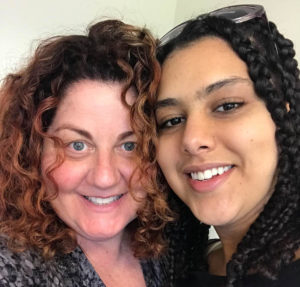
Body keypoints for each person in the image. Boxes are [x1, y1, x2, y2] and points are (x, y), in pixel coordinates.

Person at [0, 19, 173, 286]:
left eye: (130, 145)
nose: (104, 177)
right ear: (32, 152)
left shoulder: (171, 250)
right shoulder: (11, 267)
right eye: (77, 146)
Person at [141, 4, 300, 287]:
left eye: (227, 105)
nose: (192, 139)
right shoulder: (181, 265)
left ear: (283, 114)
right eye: (171, 120)